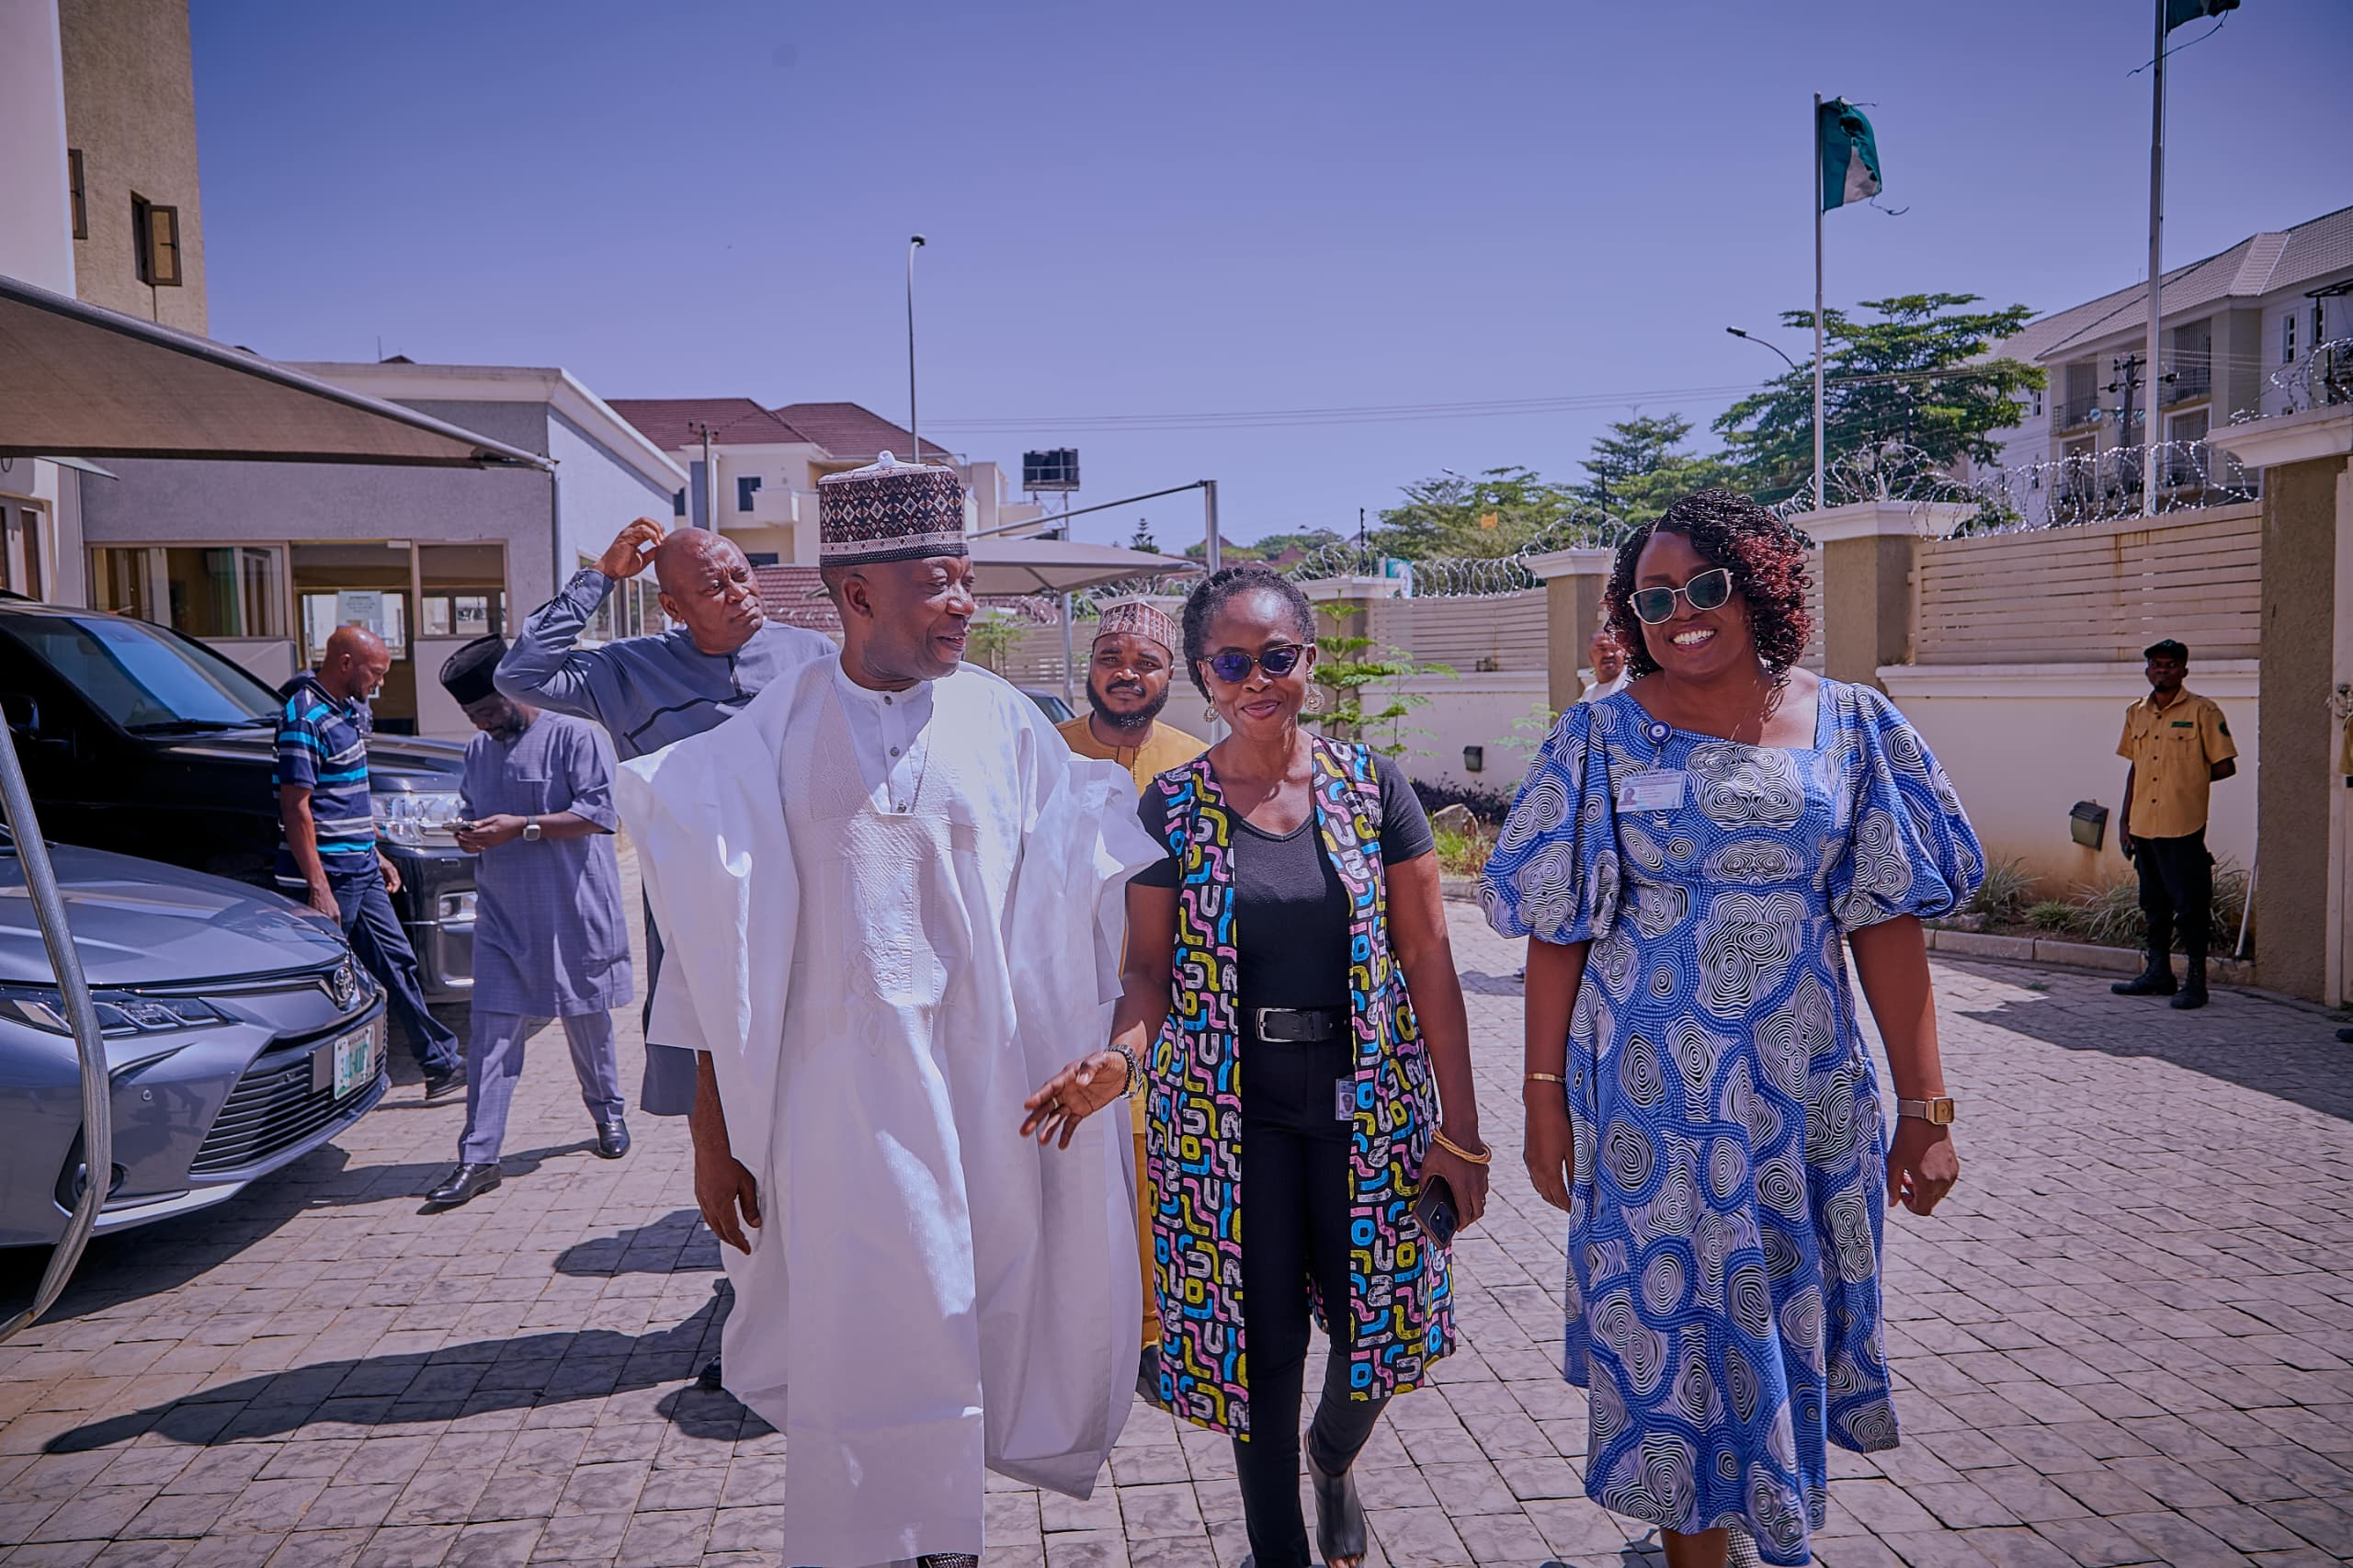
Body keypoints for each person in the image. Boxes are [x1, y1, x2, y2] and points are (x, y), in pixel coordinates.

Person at [615, 453, 1159, 1568]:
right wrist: (713, 1137)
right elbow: (712, 950)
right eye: (937, 580)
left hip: (988, 1102)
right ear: (857, 593)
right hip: (834, 1111)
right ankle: (873, 1544)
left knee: (972, 1317)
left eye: (967, 579)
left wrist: (1110, 1047)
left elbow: (1093, 888)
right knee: (858, 1336)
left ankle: (949, 1541)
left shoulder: (1005, 722)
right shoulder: (767, 737)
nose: (964, 603)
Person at [1480, 491, 1981, 1568]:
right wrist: (1539, 1098)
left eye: (1703, 586)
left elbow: (1886, 921)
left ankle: (1761, 1517)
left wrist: (1926, 1106)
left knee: (1781, 1302)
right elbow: (1558, 928)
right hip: (1650, 1103)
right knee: (1674, 1326)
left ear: (1759, 588)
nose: (1681, 613)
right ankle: (1695, 1545)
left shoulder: (1854, 724)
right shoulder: (1598, 734)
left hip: (1801, 1098)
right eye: (1652, 597)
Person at [1029, 563, 1489, 1568]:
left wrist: (1461, 1132)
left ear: (1308, 660)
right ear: (1203, 674)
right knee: (1259, 1348)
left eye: (1275, 657)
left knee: (1376, 1334)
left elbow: (1427, 958)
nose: (1256, 680)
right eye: (1231, 662)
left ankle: (1333, 1455)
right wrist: (1121, 1058)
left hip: (1371, 1111)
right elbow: (1147, 972)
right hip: (1226, 1121)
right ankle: (1277, 1548)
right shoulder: (1173, 806)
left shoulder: (1372, 788)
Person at [497, 519, 832, 1389]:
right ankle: (751, 1313)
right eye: (715, 586)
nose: (740, 593)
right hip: (700, 927)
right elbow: (519, 675)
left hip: (815, 915)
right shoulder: (628, 671)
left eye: (742, 574)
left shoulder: (812, 658)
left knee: (816, 1107)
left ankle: (821, 1313)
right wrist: (599, 578)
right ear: (674, 607)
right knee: (720, 1104)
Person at [1051, 596, 1207, 1385]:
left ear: (1170, 675)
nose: (1126, 673)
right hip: (1059, 996)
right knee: (1067, 1173)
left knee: (1153, 1171)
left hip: (1161, 1005)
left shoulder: (1198, 765)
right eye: (1110, 658)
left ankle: (1152, 1332)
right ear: (1088, 669)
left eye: (1145, 662)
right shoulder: (1044, 756)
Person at [424, 637, 633, 1209]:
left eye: (488, 710)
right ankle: (478, 1157)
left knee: (587, 1023)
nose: (483, 723)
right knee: (490, 1037)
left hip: (572, 911)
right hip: (503, 919)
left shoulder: (576, 735)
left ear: (515, 692)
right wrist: (470, 835)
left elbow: (599, 815)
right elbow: (474, 812)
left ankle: (608, 1114)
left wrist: (522, 827)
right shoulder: (477, 751)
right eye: (472, 716)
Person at [276, 624, 463, 1099]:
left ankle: (440, 1064)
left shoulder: (347, 712)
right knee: (325, 983)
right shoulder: (304, 717)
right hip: (331, 875)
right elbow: (296, 808)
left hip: (360, 866)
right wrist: (317, 886)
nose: (380, 683)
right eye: (375, 673)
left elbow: (346, 801)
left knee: (396, 962)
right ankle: (306, 1091)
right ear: (345, 664)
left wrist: (375, 853)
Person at [2111, 637, 2237, 1010]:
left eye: (2170, 665)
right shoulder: (2136, 712)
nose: (2162, 671)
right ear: (2147, 670)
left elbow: (2224, 766)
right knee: (2153, 904)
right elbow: (2136, 768)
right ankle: (2158, 974)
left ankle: (2196, 983)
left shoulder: (2204, 711)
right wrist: (2124, 820)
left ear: (2184, 670)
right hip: (2143, 824)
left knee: (2190, 906)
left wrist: (2184, 780)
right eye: (2156, 665)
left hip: (2182, 824)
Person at [1578, 622, 1631, 705]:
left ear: (1624, 652)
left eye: (1614, 649)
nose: (1608, 654)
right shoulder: (1588, 694)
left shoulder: (1632, 687)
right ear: (1590, 656)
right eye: (1602, 649)